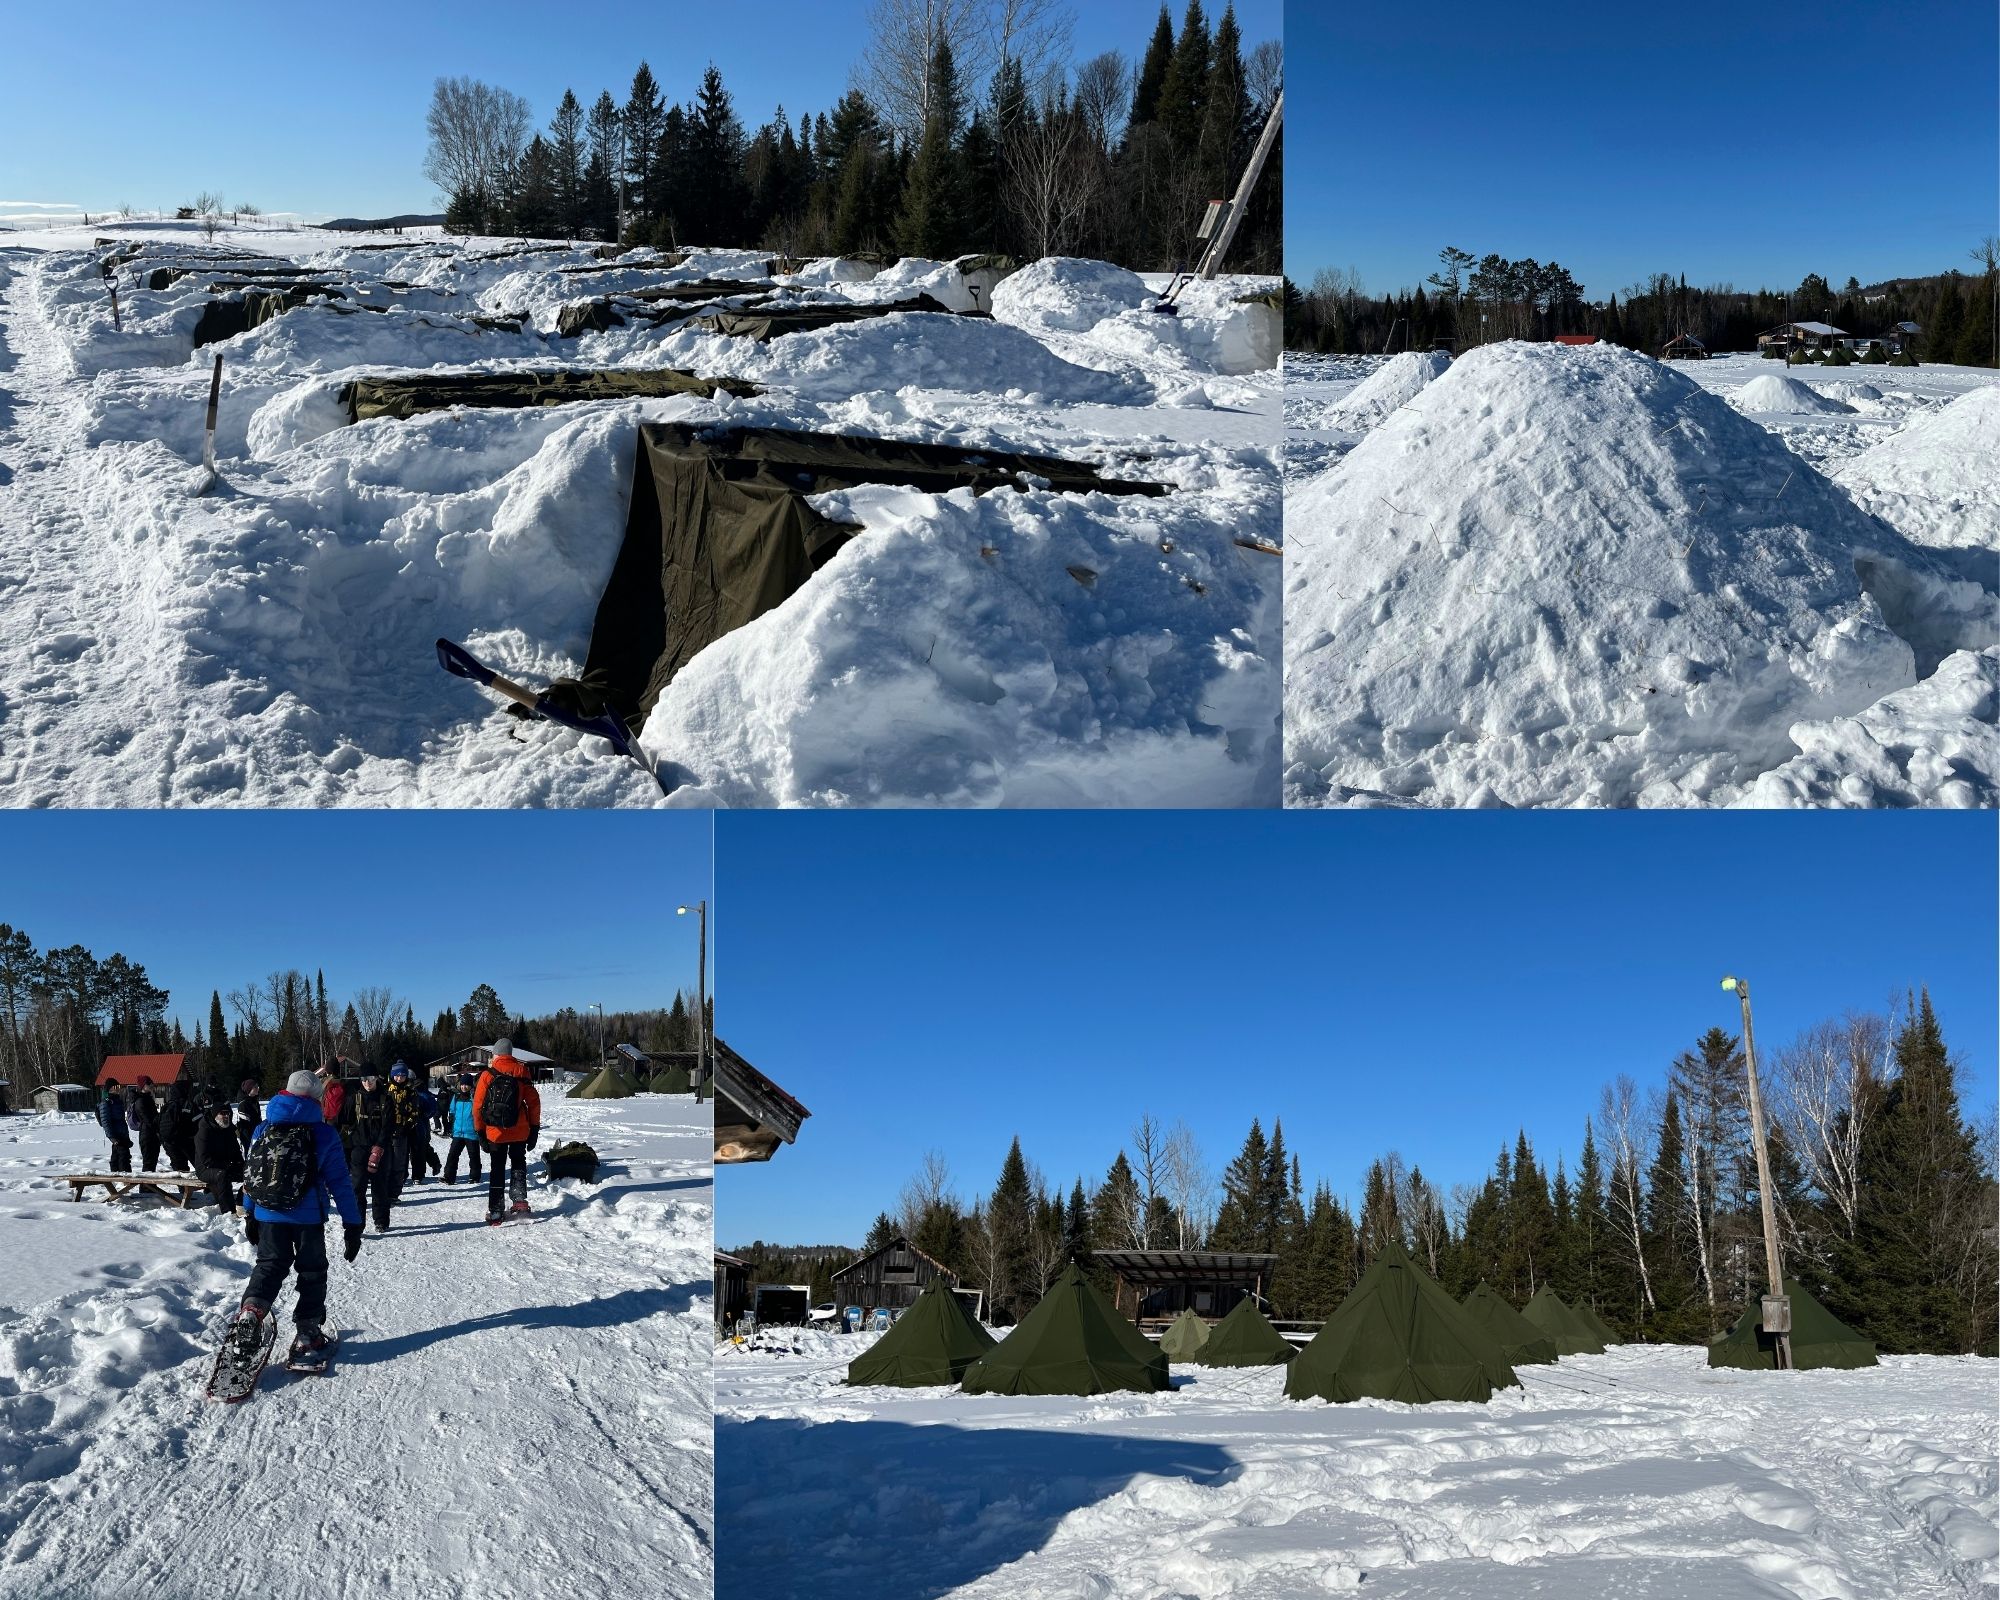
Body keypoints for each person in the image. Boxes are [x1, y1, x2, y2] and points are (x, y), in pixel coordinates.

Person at [227, 1070, 363, 1371]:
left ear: (285, 1092)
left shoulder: (263, 1128)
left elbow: (252, 1174)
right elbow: (341, 1182)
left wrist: (250, 1211)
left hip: (267, 1214)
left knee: (270, 1265)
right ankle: (307, 1336)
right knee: (312, 1270)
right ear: (317, 1098)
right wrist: (353, 1225)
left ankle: (252, 1310)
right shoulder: (324, 1133)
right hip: (307, 1218)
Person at [473, 1040, 541, 1225]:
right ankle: (519, 1202)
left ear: (495, 1054)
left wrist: (480, 1132)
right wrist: (534, 1128)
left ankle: (496, 1211)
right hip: (519, 1130)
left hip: (495, 1132)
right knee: (518, 1162)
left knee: (497, 1168)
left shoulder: (487, 1074)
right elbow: (533, 1102)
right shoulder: (521, 1072)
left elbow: (478, 1106)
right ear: (510, 1053)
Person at [343, 1066, 402, 1233]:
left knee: (380, 1187)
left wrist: (379, 1146)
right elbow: (345, 1121)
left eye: (369, 1077)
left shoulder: (386, 1099)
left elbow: (389, 1126)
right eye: (363, 1079)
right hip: (359, 1149)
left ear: (376, 1077)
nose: (366, 1082)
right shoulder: (353, 1098)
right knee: (357, 1188)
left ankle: (381, 1221)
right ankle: (357, 1224)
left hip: (381, 1149)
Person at [387, 1064, 436, 1186]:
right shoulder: (393, 1090)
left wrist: (423, 1113)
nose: (401, 1079)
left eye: (404, 1077)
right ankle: (402, 1175)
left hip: (419, 1126)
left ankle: (418, 1175)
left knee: (418, 1151)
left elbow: (431, 1107)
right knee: (402, 1152)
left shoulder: (419, 1091)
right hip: (401, 1127)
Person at [196, 1103, 247, 1215]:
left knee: (250, 1172)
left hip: (225, 1165)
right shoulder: (204, 1130)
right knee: (222, 1175)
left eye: (228, 1113)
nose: (226, 1116)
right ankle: (229, 1212)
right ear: (215, 1115)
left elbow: (236, 1152)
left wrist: (242, 1165)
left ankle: (241, 1202)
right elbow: (205, 1159)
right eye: (222, 1113)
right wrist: (227, 1165)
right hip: (206, 1168)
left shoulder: (229, 1129)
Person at [441, 1070, 482, 1184]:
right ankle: (448, 1177)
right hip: (458, 1132)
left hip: (471, 1133)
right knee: (452, 1155)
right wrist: (451, 1125)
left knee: (474, 1157)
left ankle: (474, 1176)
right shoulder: (456, 1096)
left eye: (467, 1085)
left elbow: (478, 1113)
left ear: (470, 1086)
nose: (464, 1087)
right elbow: (452, 1111)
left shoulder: (474, 1098)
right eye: (463, 1084)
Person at [163, 1077, 199, 1173]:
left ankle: (182, 1188)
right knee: (202, 1167)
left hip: (170, 1143)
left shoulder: (166, 1106)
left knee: (179, 1170)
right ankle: (210, 1187)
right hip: (188, 1141)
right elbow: (200, 1123)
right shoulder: (189, 1104)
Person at [126, 1077, 162, 1172]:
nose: (151, 1085)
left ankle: (150, 1186)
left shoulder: (148, 1098)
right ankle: (145, 1187)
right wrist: (159, 1120)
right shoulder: (140, 1101)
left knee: (152, 1163)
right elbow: (148, 1120)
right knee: (148, 1164)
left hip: (152, 1135)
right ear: (142, 1086)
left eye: (151, 1082)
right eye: (148, 1083)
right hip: (147, 1136)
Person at [97, 1087, 132, 1173]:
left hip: (122, 1133)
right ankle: (124, 1179)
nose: (119, 1089)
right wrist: (112, 1137)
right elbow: (105, 1121)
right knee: (123, 1157)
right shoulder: (106, 1102)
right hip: (116, 1134)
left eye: (119, 1086)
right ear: (110, 1089)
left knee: (118, 1157)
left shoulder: (117, 1100)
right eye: (116, 1087)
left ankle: (116, 1178)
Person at [233, 1079, 261, 1159]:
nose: (258, 1088)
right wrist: (252, 1140)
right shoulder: (243, 1105)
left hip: (257, 1134)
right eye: (255, 1087)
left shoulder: (255, 1101)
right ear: (249, 1089)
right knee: (249, 1156)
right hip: (249, 1138)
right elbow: (245, 1127)